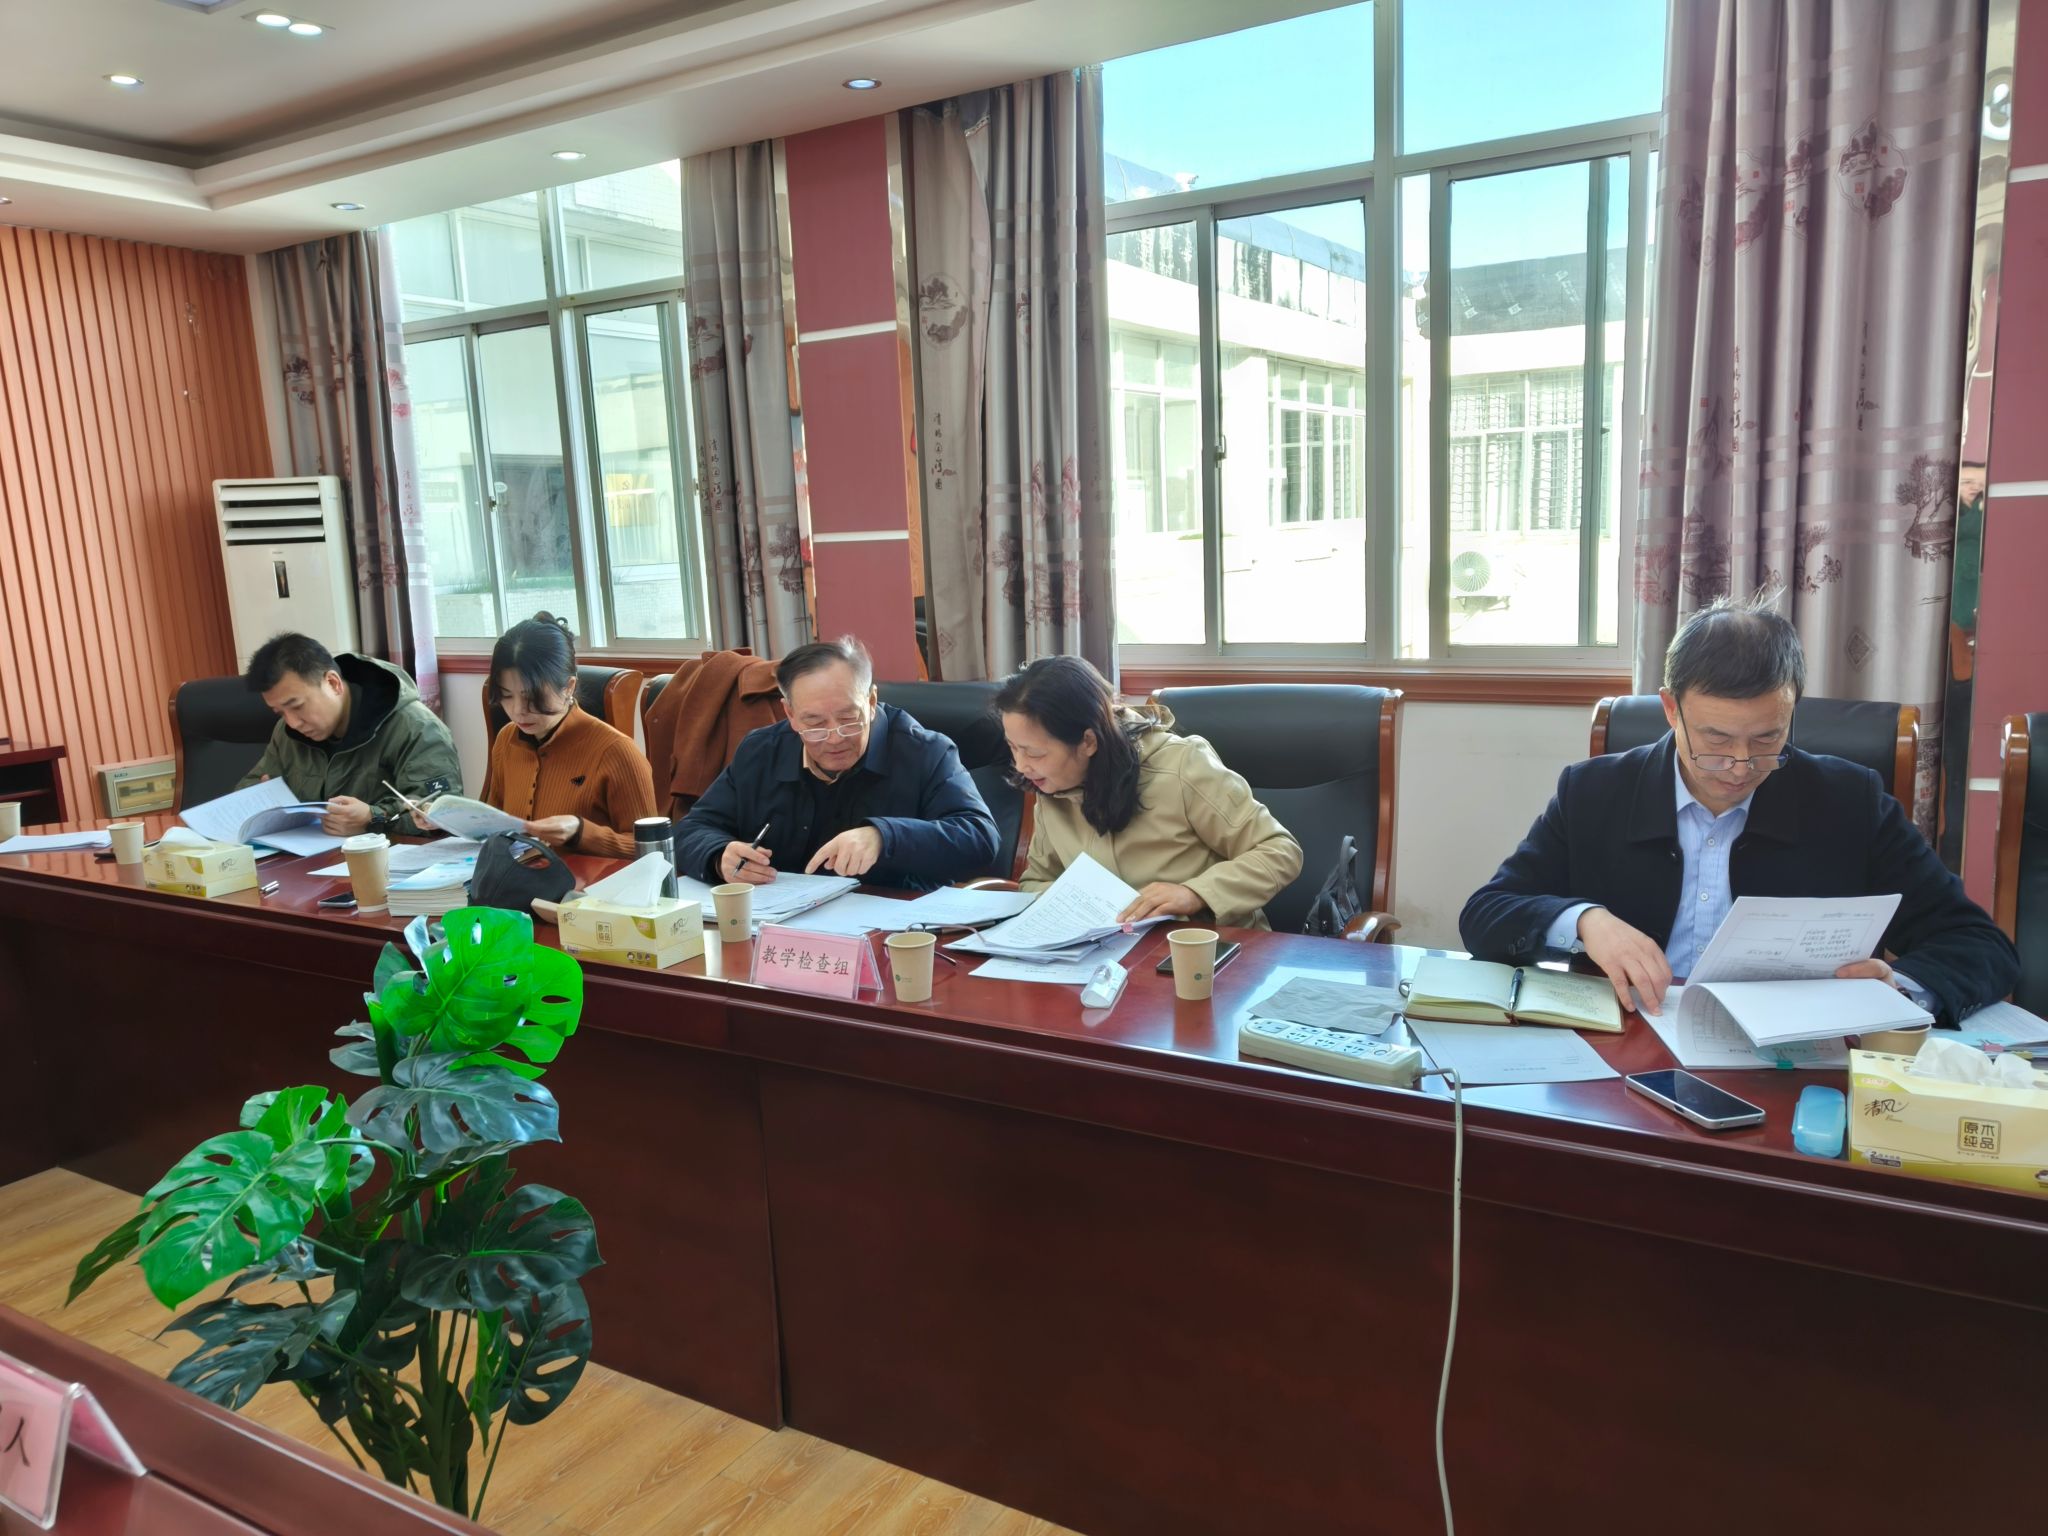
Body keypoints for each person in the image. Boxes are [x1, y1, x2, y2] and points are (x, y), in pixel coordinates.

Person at [1459, 593, 2018, 1025]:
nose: (1740, 765)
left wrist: (1900, 986)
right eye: (1717, 739)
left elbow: (1980, 945)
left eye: (1768, 737)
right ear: (1671, 709)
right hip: (1627, 1043)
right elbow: (1485, 914)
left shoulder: (1849, 801)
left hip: (1792, 1056)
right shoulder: (1595, 791)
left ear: (1792, 708)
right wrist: (1585, 920)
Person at [996, 656, 1302, 929]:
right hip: (1108, 955)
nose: (1021, 766)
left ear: (1088, 741)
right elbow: (1035, 881)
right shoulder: (1050, 785)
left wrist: (1195, 893)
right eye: (1013, 748)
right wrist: (1077, 903)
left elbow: (1280, 851)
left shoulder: (1182, 766)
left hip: (1208, 948)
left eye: (1034, 753)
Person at [672, 636, 998, 891]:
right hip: (782, 928)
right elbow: (693, 828)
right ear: (790, 714)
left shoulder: (925, 751)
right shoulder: (761, 752)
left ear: (871, 702)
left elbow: (980, 837)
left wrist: (884, 837)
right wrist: (719, 855)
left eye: (847, 718)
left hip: (894, 928)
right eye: (814, 723)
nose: (834, 738)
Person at [457, 615, 657, 858]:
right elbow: (494, 827)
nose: (518, 710)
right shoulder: (506, 740)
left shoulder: (617, 751)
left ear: (569, 687)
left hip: (588, 882)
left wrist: (580, 833)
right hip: (517, 878)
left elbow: (651, 849)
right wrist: (449, 819)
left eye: (532, 696)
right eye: (507, 695)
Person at [239, 633, 462, 838]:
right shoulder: (287, 733)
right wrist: (259, 798)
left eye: (297, 706)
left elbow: (442, 815)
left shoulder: (416, 727)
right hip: (310, 859)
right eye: (279, 712)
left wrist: (373, 818)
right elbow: (251, 786)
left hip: (388, 861)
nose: (292, 722)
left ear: (333, 683)